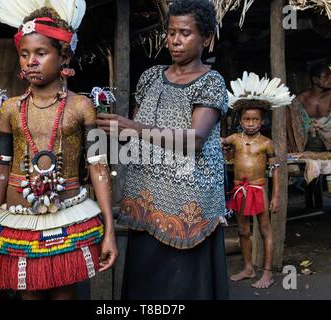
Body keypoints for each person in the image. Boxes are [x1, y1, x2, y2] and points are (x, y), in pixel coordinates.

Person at [0, 0, 117, 300]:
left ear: (63, 56)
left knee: (65, 295)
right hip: (18, 217)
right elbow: (0, 167)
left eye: (41, 53)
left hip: (69, 215)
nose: (31, 61)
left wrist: (109, 230)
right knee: (28, 295)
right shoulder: (10, 109)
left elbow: (98, 166)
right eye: (25, 54)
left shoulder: (81, 107)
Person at [97, 0, 229, 299]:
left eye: (185, 33)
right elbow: (135, 135)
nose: (175, 41)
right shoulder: (151, 77)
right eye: (171, 33)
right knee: (147, 283)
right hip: (146, 196)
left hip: (189, 202)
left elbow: (195, 139)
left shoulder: (211, 82)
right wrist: (107, 129)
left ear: (206, 38)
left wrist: (131, 127)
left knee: (184, 285)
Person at [222, 72, 293, 289]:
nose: (250, 123)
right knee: (243, 230)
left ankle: (268, 272)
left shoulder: (266, 143)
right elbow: (223, 150)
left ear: (262, 121)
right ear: (240, 120)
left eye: (255, 120)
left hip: (259, 188)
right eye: (246, 119)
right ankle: (248, 268)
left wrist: (277, 195)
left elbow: (276, 170)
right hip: (239, 189)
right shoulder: (234, 139)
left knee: (264, 229)